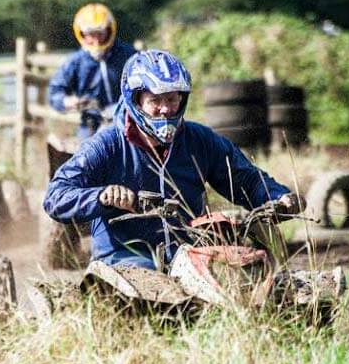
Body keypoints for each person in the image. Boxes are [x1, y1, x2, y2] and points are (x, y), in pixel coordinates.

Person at [43, 50, 302, 270]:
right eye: (155, 101)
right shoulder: (106, 144)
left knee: (254, 267)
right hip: (124, 258)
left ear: (182, 99)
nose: (165, 108)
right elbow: (55, 197)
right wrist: (101, 196)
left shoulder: (201, 140)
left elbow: (245, 179)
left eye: (171, 99)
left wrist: (278, 198)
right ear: (136, 101)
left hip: (191, 252)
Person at [48, 3, 137, 137]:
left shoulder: (128, 55)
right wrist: (68, 101)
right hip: (91, 122)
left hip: (127, 118)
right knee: (84, 153)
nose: (95, 39)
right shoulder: (75, 62)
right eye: (90, 34)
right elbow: (55, 92)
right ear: (81, 33)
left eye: (100, 33)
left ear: (109, 30)